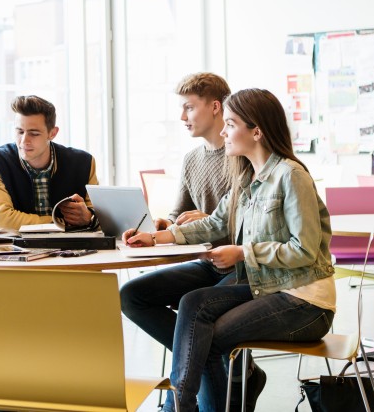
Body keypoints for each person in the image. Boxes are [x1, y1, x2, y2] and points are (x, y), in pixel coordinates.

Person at [125, 88, 336, 412]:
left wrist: (243, 253)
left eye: (231, 123)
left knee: (205, 335)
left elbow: (304, 250)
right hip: (268, 285)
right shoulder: (247, 178)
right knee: (193, 306)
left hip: (305, 300)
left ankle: (178, 404)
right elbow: (215, 224)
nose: (223, 131)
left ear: (256, 130)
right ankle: (183, 404)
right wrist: (155, 238)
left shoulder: (291, 176)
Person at [121, 72, 252, 411]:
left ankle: (181, 400)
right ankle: (230, 374)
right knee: (132, 296)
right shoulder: (192, 159)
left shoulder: (243, 153)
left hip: (242, 264)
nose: (182, 117)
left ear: (214, 107)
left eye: (189, 108)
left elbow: (250, 223)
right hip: (207, 261)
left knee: (195, 314)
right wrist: (164, 224)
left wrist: (206, 221)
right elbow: (181, 212)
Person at [0, 95, 99, 231]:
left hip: (72, 250)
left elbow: (100, 217)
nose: (24, 141)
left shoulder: (83, 163)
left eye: (34, 133)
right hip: (17, 250)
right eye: (20, 131)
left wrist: (89, 217)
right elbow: (2, 220)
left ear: (53, 133)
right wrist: (60, 222)